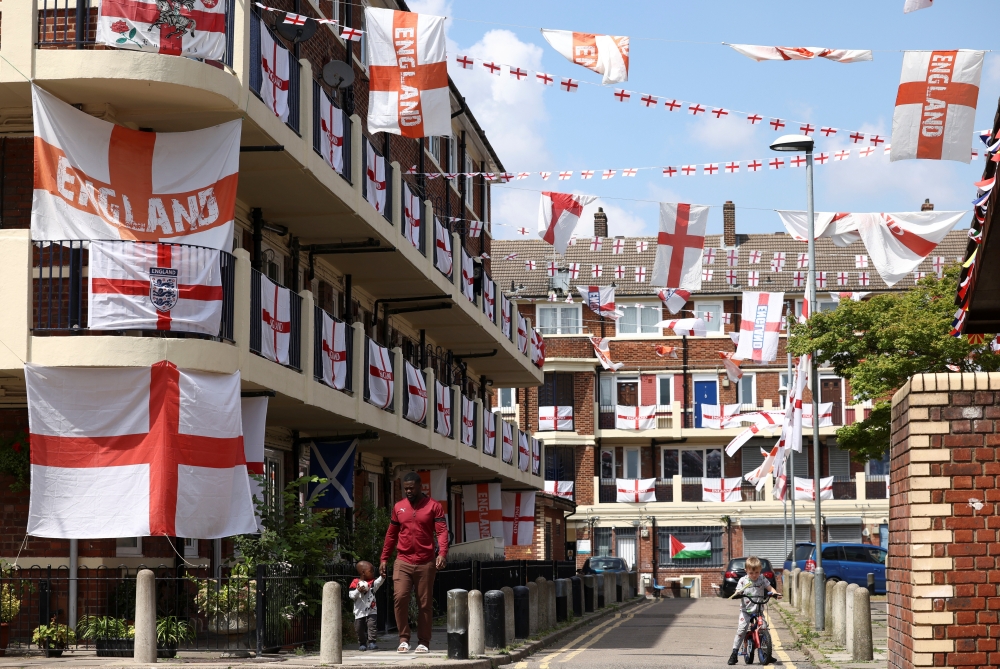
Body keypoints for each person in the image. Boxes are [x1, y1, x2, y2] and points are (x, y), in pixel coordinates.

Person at [380, 471, 448, 654]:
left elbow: (442, 531)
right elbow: (391, 534)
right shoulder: (399, 507)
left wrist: (442, 553)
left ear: (420, 487)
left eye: (411, 488)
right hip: (403, 560)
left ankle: (424, 641)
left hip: (426, 562)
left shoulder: (433, 506)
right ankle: (403, 638)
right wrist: (384, 558)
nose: (408, 491)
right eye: (406, 488)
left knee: (424, 602)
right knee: (400, 597)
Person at [728, 556, 780, 665]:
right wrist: (738, 593)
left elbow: (770, 588)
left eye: (756, 572)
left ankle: (767, 653)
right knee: (742, 629)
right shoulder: (743, 580)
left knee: (764, 628)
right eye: (751, 573)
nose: (754, 575)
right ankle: (734, 653)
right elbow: (738, 590)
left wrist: (775, 593)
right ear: (746, 571)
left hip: (759, 610)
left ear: (760, 570)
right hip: (746, 610)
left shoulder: (762, 579)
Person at [348, 560, 384, 652]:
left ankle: (372, 642)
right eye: (371, 571)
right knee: (359, 628)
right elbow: (351, 595)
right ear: (363, 572)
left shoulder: (372, 583)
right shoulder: (355, 583)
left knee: (372, 626)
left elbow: (378, 583)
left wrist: (382, 577)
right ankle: (362, 643)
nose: (373, 573)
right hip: (359, 611)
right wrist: (358, 590)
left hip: (371, 610)